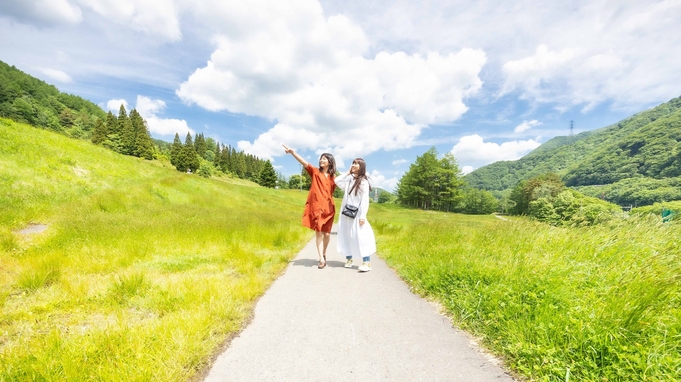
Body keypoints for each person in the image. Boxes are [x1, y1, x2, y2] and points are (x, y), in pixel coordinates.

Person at [282, 144, 337, 269]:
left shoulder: (334, 178)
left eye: (324, 158)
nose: (321, 160)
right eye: (321, 158)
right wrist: (292, 152)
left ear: (330, 162)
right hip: (317, 207)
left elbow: (346, 181)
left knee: (327, 234)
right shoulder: (315, 172)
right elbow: (303, 162)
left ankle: (324, 253)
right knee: (318, 233)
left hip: (329, 208)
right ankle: (321, 259)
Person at [335, 158, 376, 272]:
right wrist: (348, 173)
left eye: (357, 164)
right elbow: (337, 181)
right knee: (346, 235)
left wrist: (363, 215)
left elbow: (364, 199)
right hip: (346, 213)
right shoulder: (349, 180)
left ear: (361, 166)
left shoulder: (364, 181)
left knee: (360, 236)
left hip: (357, 213)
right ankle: (349, 259)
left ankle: (366, 262)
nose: (354, 165)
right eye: (353, 163)